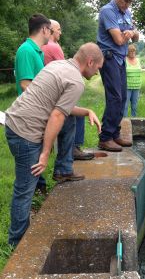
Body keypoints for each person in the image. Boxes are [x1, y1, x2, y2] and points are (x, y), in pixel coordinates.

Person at [5, 43, 103, 247]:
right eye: (98, 68)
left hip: (13, 122)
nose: (97, 72)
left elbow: (60, 107)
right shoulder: (77, 81)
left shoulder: (57, 65)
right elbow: (57, 115)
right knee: (24, 189)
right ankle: (17, 242)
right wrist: (45, 152)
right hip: (25, 133)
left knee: (68, 119)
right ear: (90, 62)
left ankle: (63, 169)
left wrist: (86, 111)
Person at [42, 19, 94, 161]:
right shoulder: (54, 46)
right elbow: (67, 68)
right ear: (51, 30)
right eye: (58, 30)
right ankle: (74, 148)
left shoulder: (43, 46)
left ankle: (63, 157)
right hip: (58, 89)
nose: (60, 32)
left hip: (48, 88)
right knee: (75, 113)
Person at [97, 0, 139, 152]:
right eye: (126, 0)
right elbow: (119, 40)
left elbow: (136, 37)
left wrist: (132, 33)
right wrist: (129, 33)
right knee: (114, 96)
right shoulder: (108, 11)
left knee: (122, 97)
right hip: (109, 58)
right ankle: (105, 137)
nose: (128, 4)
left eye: (130, 1)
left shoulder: (127, 12)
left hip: (120, 59)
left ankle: (115, 133)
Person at [14, 13, 52, 193]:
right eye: (50, 30)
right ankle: (34, 197)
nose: (51, 34)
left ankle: (39, 190)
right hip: (29, 117)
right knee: (29, 165)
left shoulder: (37, 51)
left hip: (38, 115)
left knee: (37, 160)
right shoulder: (26, 50)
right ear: (44, 29)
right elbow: (25, 83)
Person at [124, 44, 142, 117]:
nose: (132, 52)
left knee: (134, 107)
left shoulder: (138, 60)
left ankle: (134, 122)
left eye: (134, 51)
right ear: (128, 52)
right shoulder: (125, 60)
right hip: (127, 86)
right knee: (125, 106)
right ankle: (124, 122)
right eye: (131, 51)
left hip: (137, 87)